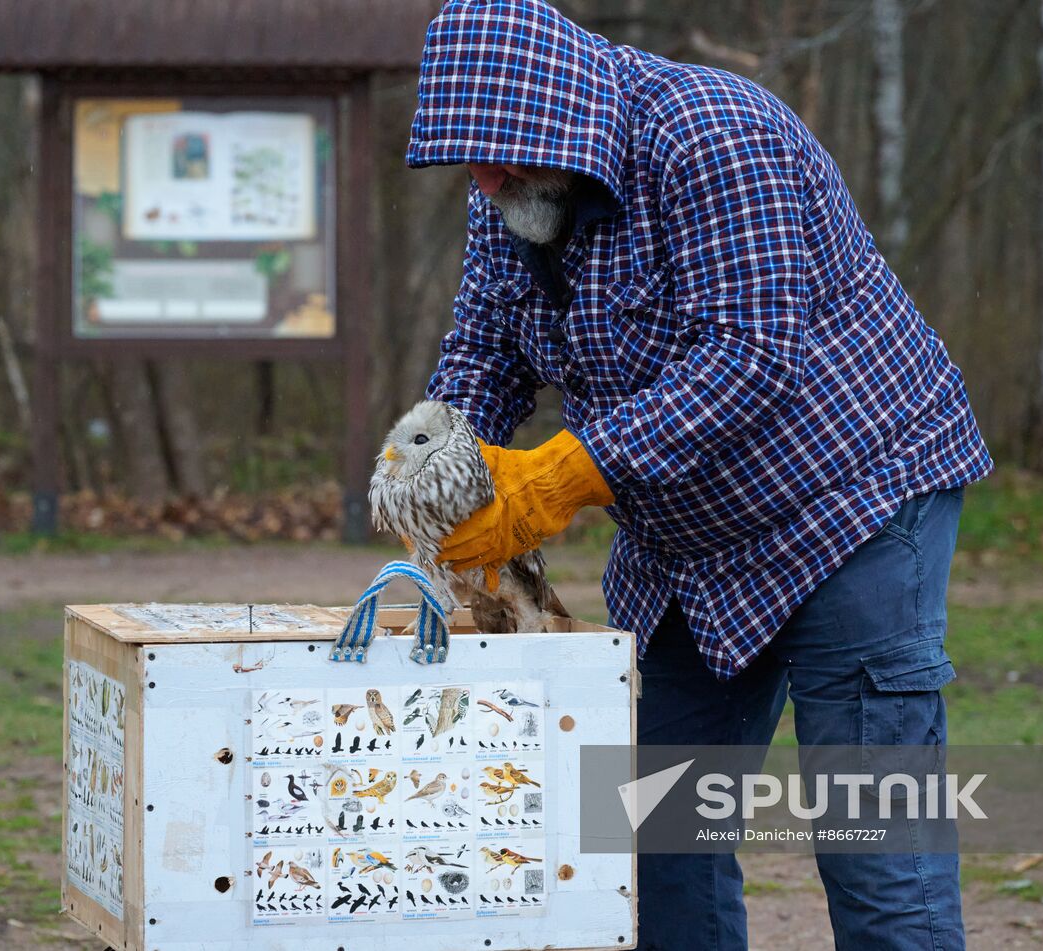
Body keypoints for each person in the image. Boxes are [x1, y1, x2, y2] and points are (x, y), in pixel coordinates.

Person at [405, 1, 992, 947]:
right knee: (648, 829)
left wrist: (556, 477)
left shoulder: (715, 134)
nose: (482, 178)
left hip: (853, 499)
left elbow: (748, 357)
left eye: (499, 155)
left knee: (870, 836)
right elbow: (484, 347)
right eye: (469, 158)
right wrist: (431, 469)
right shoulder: (512, 183)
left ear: (559, 115)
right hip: (687, 532)